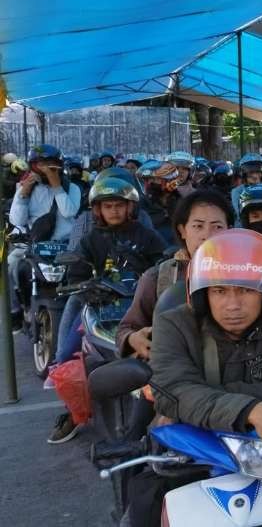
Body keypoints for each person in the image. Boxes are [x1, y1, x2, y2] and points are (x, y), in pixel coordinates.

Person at [144, 229, 262, 524]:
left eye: (247, 290)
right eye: (219, 290)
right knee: (143, 504)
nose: (233, 305)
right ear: (201, 294)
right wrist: (254, 409)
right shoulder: (172, 325)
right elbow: (173, 390)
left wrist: (197, 398)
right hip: (189, 449)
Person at [48, 176, 166, 444]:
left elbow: (163, 263)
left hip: (139, 309)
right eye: (107, 206)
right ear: (97, 210)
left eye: (119, 205)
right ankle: (73, 413)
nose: (114, 211)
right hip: (98, 308)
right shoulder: (90, 240)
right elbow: (76, 273)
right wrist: (86, 287)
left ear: (131, 207)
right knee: (67, 354)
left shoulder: (146, 236)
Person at [116, 190, 234, 361]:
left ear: (229, 231)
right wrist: (132, 339)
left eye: (217, 227)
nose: (207, 235)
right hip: (172, 374)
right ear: (182, 230)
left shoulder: (244, 273)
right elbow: (126, 328)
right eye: (198, 226)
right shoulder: (158, 277)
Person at [9, 145, 82, 323]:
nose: (44, 170)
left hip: (65, 244)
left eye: (50, 165)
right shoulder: (26, 187)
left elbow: (68, 211)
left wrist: (57, 186)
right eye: (39, 165)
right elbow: (17, 220)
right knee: (12, 264)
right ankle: (18, 310)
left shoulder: (72, 188)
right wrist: (24, 193)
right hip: (35, 244)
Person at [144, 162, 182, 245]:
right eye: (150, 179)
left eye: (155, 179)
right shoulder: (145, 201)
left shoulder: (179, 201)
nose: (151, 182)